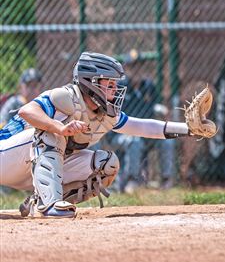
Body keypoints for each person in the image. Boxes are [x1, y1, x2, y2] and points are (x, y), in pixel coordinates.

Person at [0, 51, 210, 218]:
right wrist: (59, 127)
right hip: (6, 157)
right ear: (91, 83)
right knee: (50, 134)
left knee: (106, 164)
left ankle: (41, 198)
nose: (114, 89)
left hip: (33, 167)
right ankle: (49, 205)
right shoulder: (67, 96)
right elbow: (27, 111)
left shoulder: (104, 112)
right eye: (109, 84)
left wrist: (189, 129)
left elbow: (144, 127)